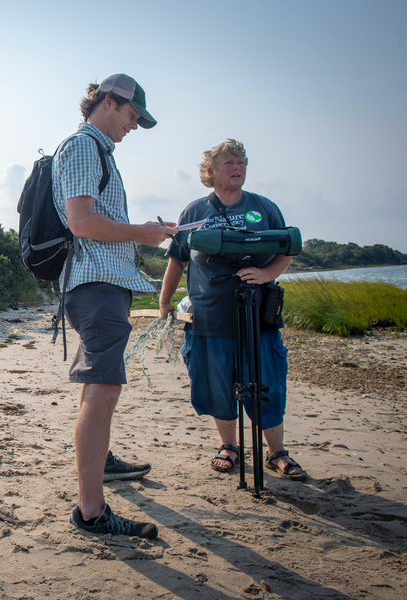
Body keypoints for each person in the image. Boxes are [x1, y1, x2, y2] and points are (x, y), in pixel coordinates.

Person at [52, 74, 176, 539]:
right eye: (132, 116)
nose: (134, 126)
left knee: (96, 388)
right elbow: (83, 222)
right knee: (103, 390)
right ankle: (90, 513)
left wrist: (144, 233)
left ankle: (100, 463)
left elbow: (88, 221)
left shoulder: (95, 150)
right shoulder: (84, 146)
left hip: (99, 284)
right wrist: (141, 233)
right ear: (109, 101)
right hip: (95, 284)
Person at [160, 139, 307, 482]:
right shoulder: (194, 213)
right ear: (210, 172)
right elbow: (177, 261)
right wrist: (165, 301)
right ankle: (229, 446)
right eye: (228, 162)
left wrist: (266, 274)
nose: (237, 166)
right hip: (210, 317)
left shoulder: (264, 208)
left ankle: (277, 452)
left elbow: (286, 250)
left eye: (241, 161)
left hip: (260, 316)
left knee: (267, 381)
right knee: (216, 383)